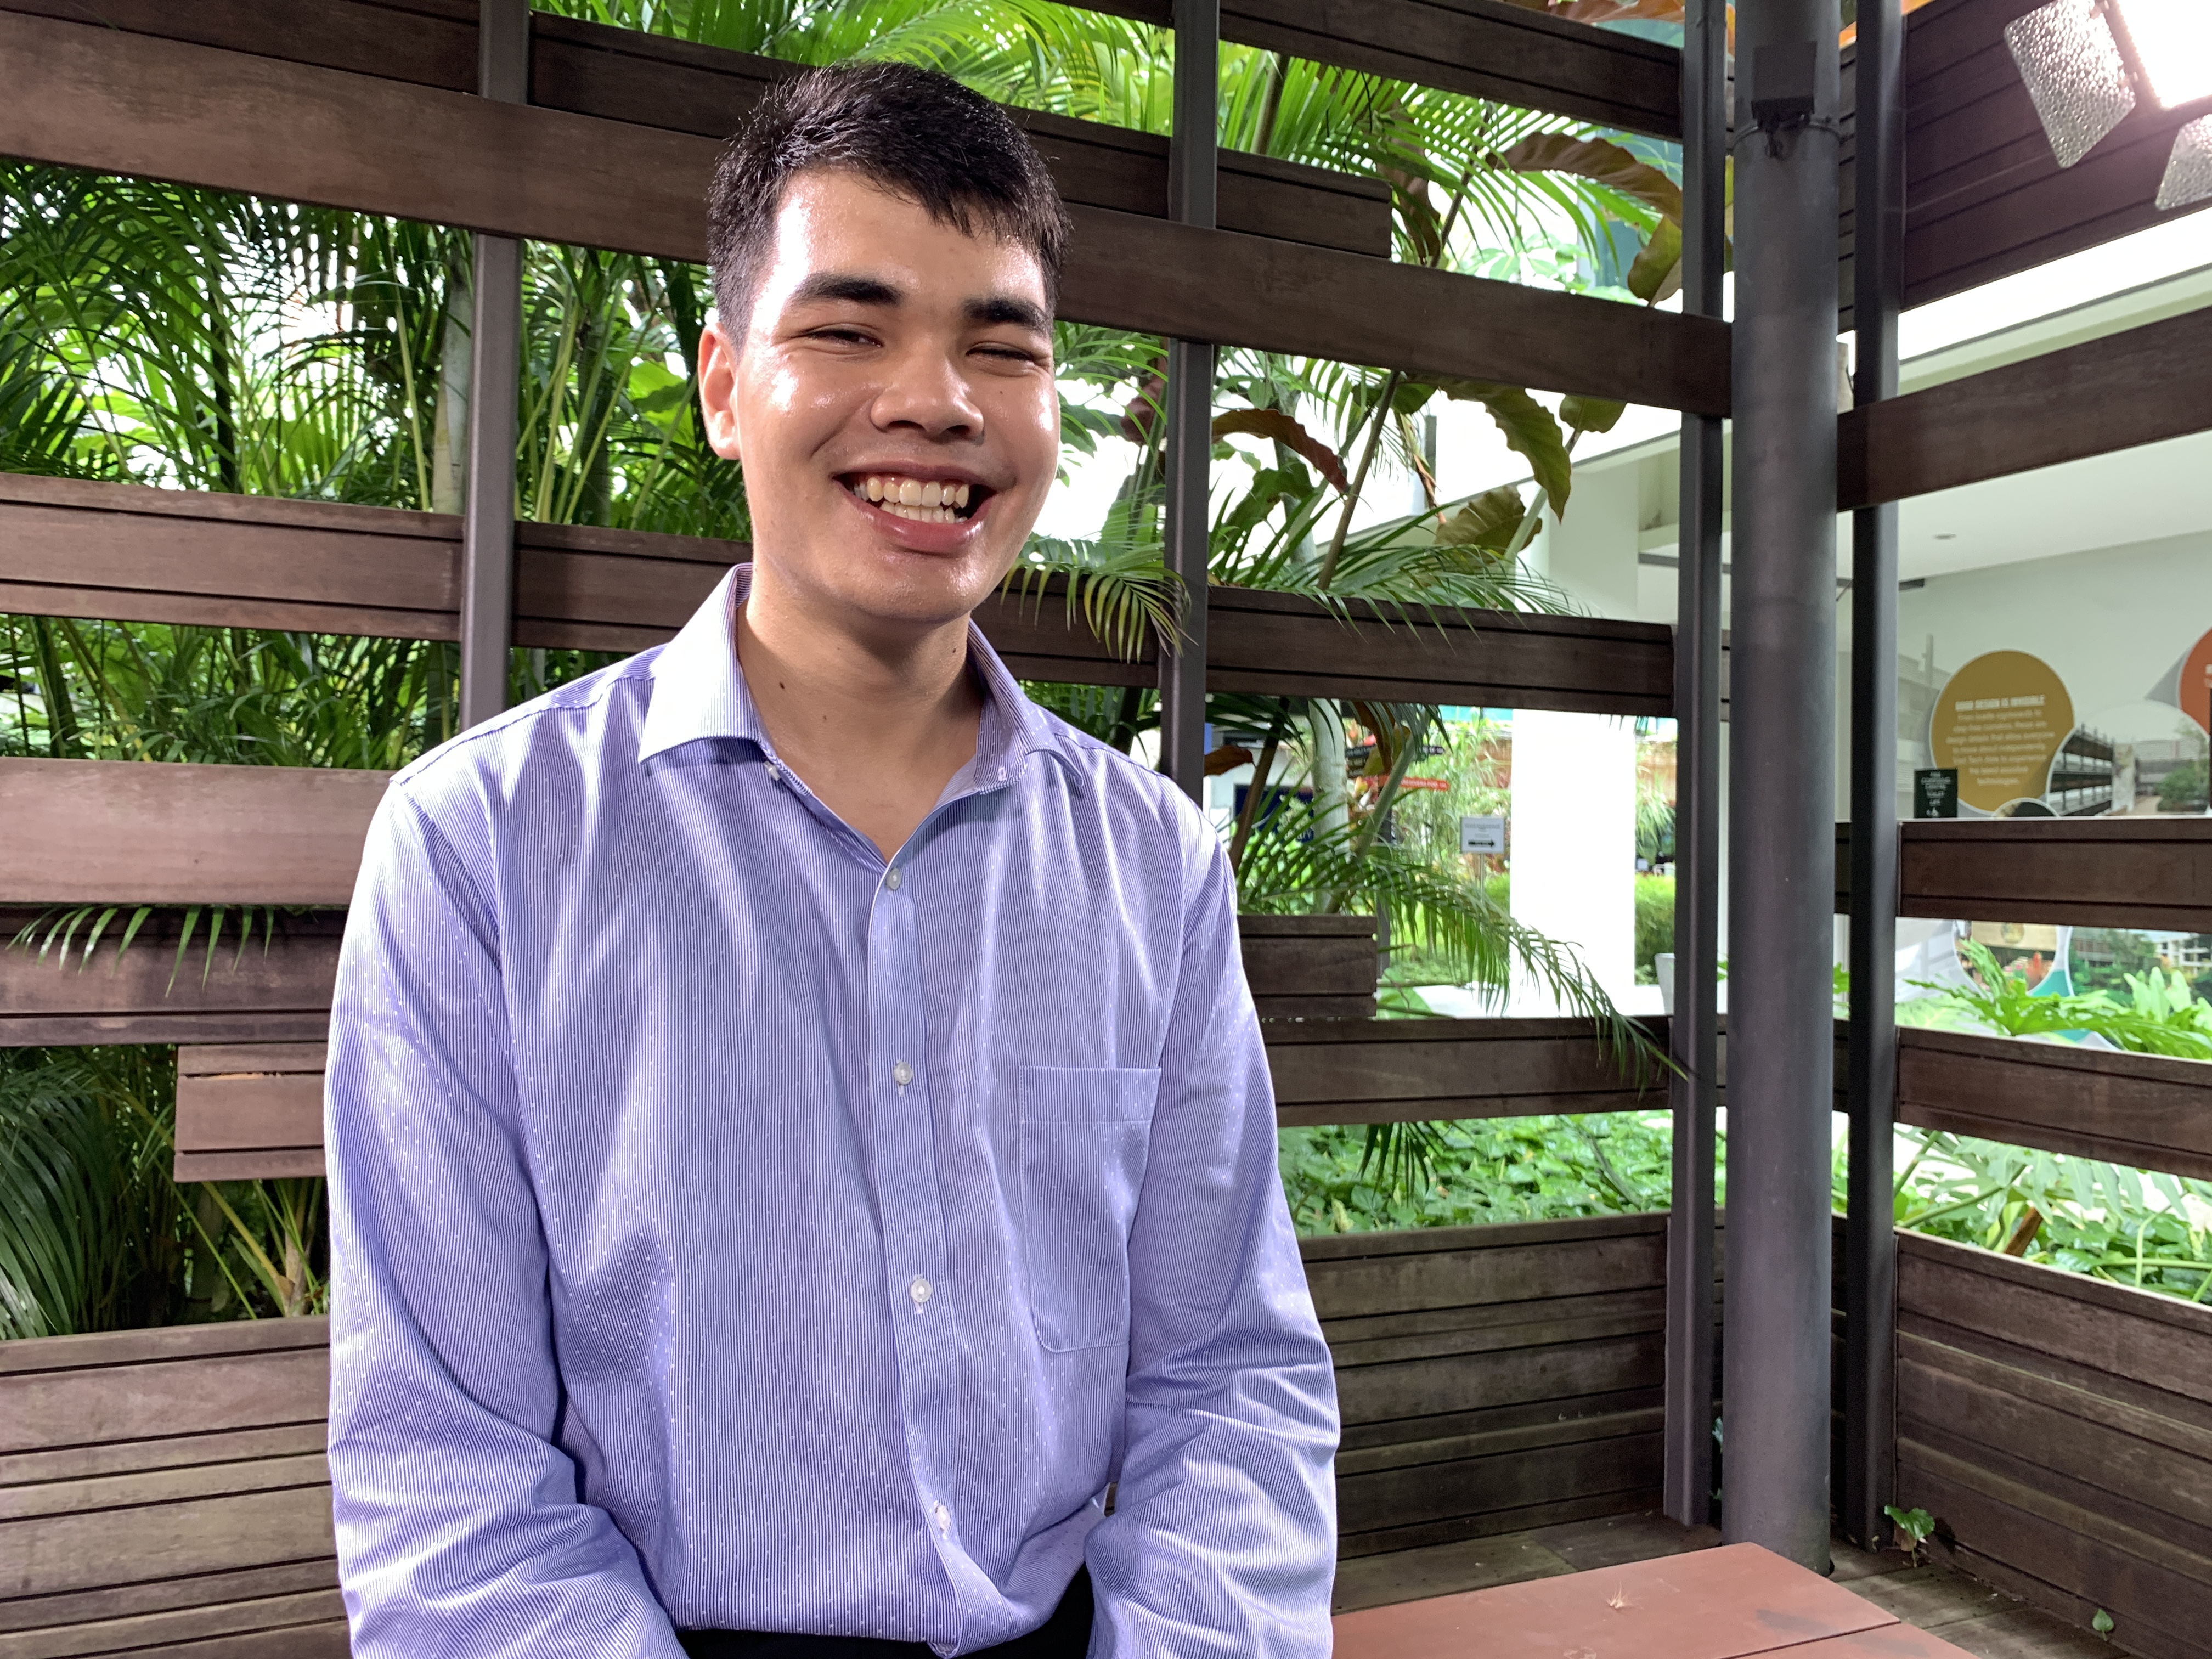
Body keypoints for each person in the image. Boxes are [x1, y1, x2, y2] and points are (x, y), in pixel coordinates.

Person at [324, 60, 1338, 1659]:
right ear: (727, 386)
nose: (937, 402)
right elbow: (450, 1484)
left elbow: (1231, 1377)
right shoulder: (482, 851)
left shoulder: (1151, 862)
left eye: (1002, 346)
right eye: (850, 329)